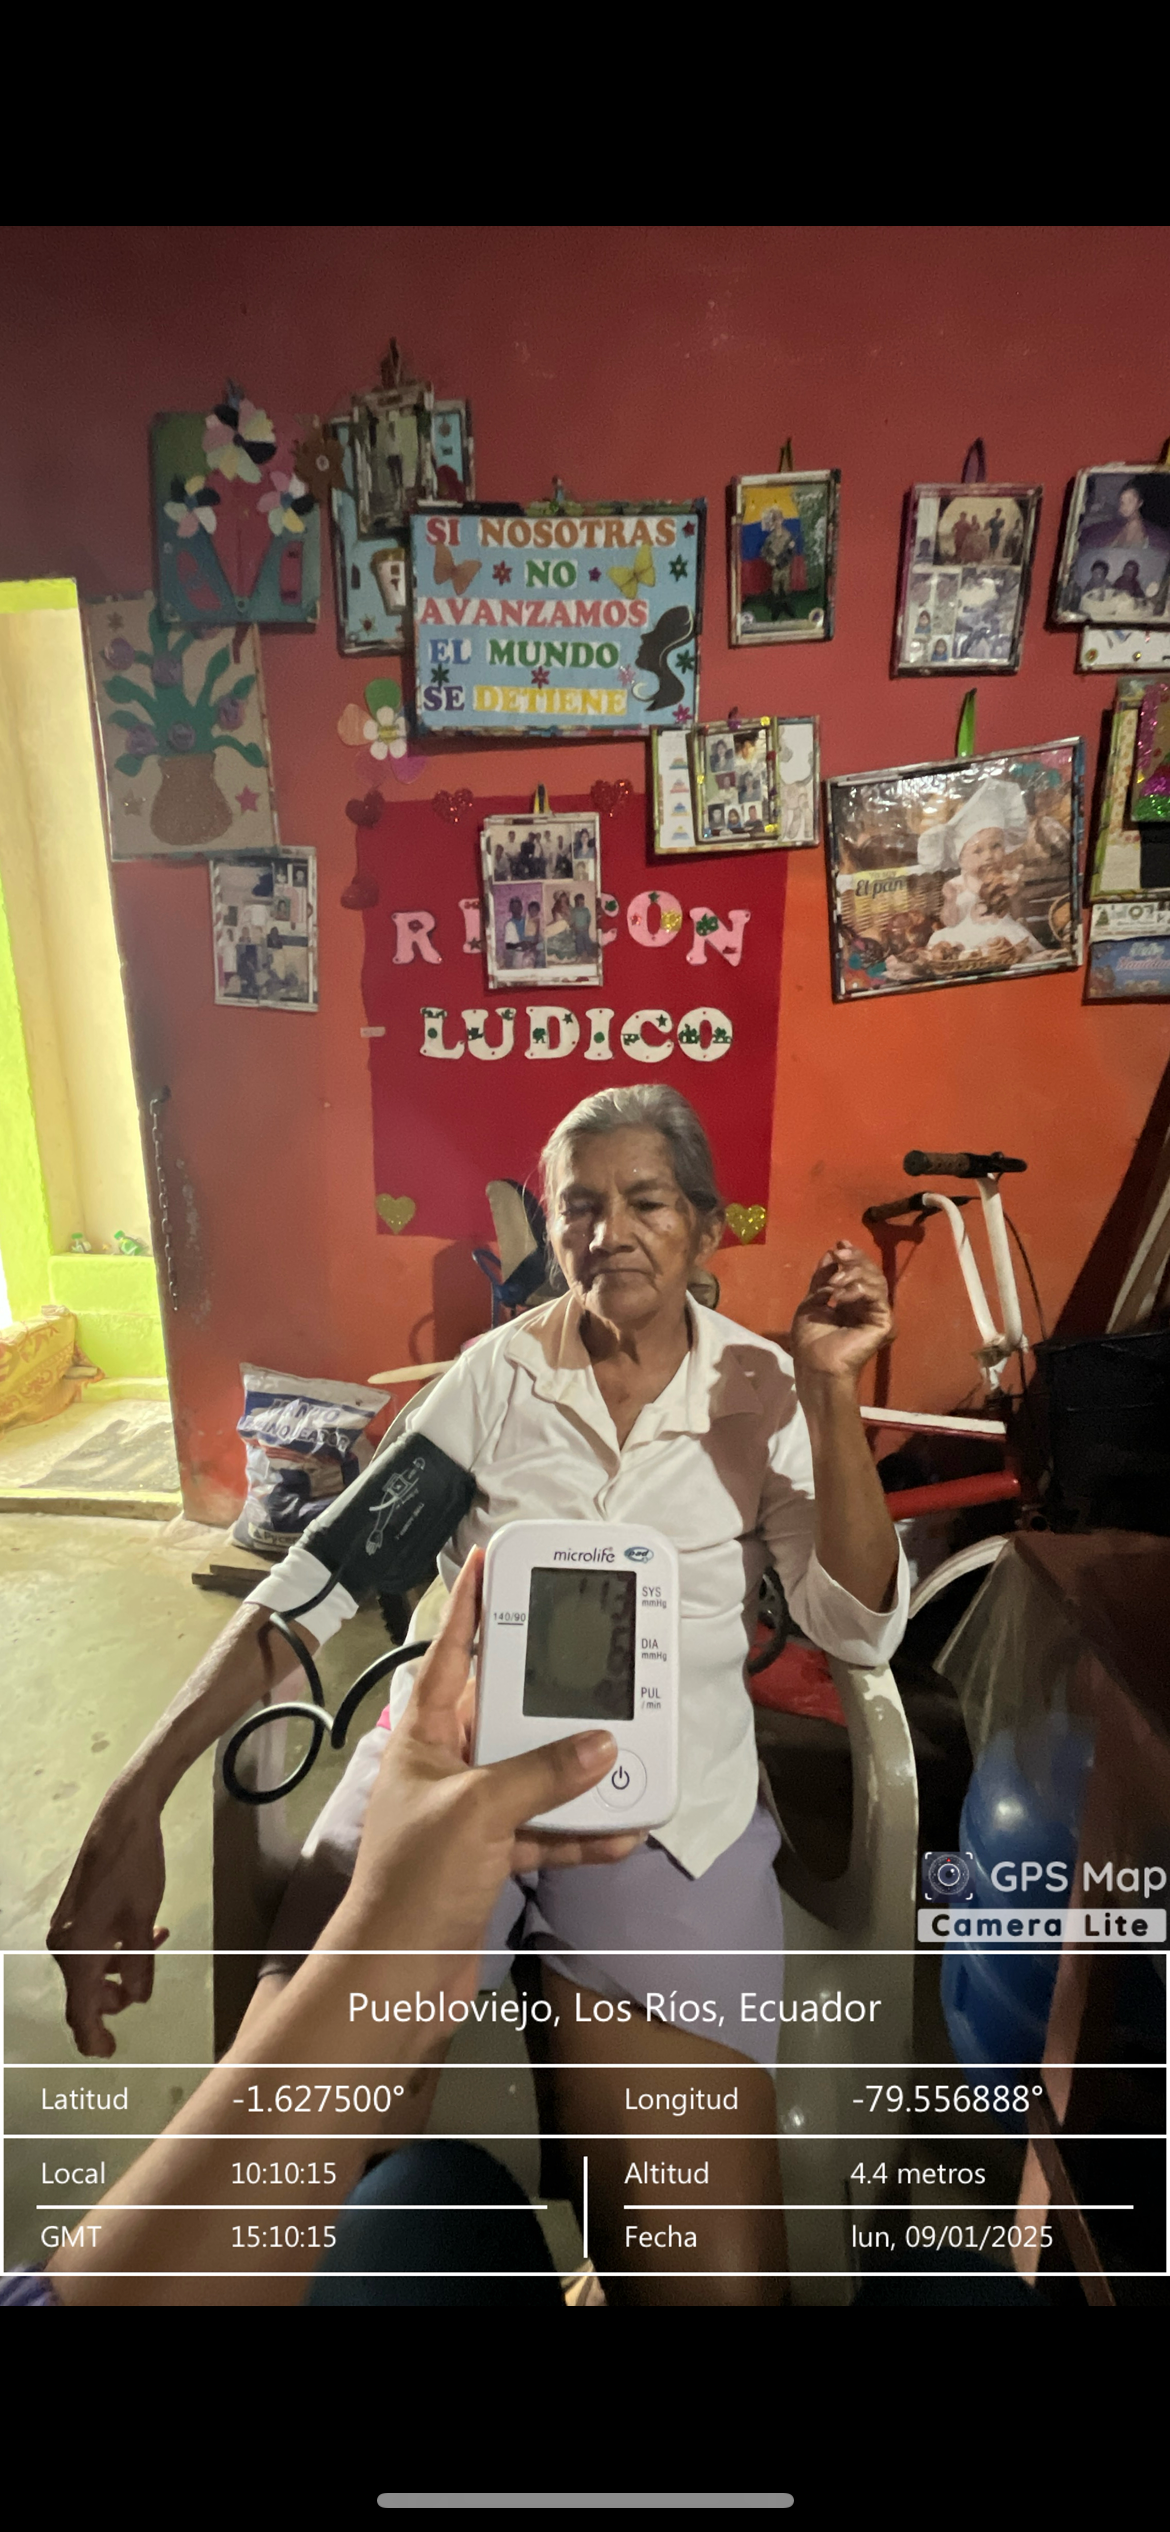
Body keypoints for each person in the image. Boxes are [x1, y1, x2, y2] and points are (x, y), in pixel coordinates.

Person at [48, 1083, 907, 2306]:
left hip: (671, 1815)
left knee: (710, 2292)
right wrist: (137, 1795)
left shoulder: (764, 1387)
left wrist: (830, 1395)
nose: (609, 1233)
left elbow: (854, 1622)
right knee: (287, 2211)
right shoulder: (496, 1382)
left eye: (647, 1202)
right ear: (551, 1231)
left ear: (707, 1228)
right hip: (443, 1784)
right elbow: (315, 1587)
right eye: (579, 1208)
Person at [18, 1556, 636, 2306]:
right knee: (393, 2172)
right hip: (440, 1750)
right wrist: (140, 1789)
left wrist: (141, 1794)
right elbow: (321, 1568)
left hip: (671, 1794)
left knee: (698, 2267)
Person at [502, 895, 526, 970]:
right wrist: (520, 944)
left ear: (521, 907)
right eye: (514, 907)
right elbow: (508, 946)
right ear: (510, 909)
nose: (516, 909)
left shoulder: (527, 921)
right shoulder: (509, 925)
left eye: (518, 907)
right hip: (517, 953)